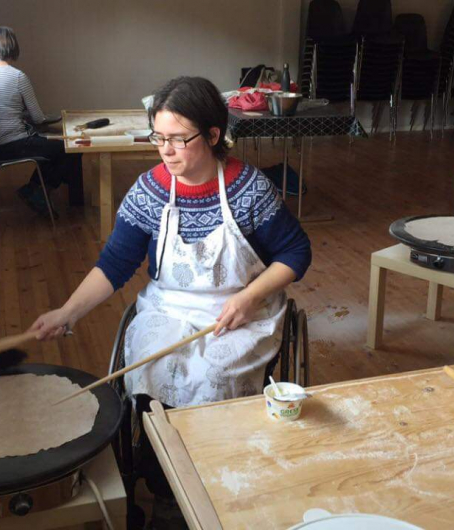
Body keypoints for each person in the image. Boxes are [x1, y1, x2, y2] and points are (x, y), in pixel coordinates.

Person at [31, 76, 311, 525]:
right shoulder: (150, 190)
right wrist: (68, 312)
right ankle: (165, 485)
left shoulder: (249, 189)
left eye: (178, 139)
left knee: (213, 372)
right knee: (154, 366)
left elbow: (296, 253)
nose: (165, 150)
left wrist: (249, 297)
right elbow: (115, 263)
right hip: (169, 306)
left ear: (213, 135)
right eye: (158, 138)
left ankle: (219, 473)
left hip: (241, 309)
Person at [0, 26, 80, 217]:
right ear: (14, 47)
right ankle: (40, 191)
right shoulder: (18, 77)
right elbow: (38, 118)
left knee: (49, 149)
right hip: (15, 144)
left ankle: (34, 188)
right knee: (71, 149)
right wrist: (43, 119)